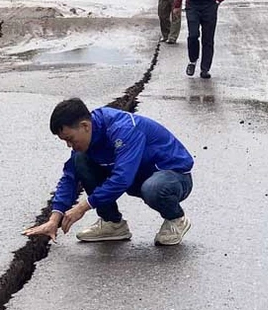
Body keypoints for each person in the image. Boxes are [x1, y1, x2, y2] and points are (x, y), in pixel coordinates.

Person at [21, 98, 194, 246]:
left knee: (153, 188)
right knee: (80, 160)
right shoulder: (88, 137)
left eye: (69, 139)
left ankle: (176, 219)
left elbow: (122, 178)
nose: (69, 145)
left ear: (85, 126)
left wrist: (82, 207)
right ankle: (113, 223)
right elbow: (70, 178)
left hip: (173, 177)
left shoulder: (124, 129)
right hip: (137, 178)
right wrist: (53, 219)